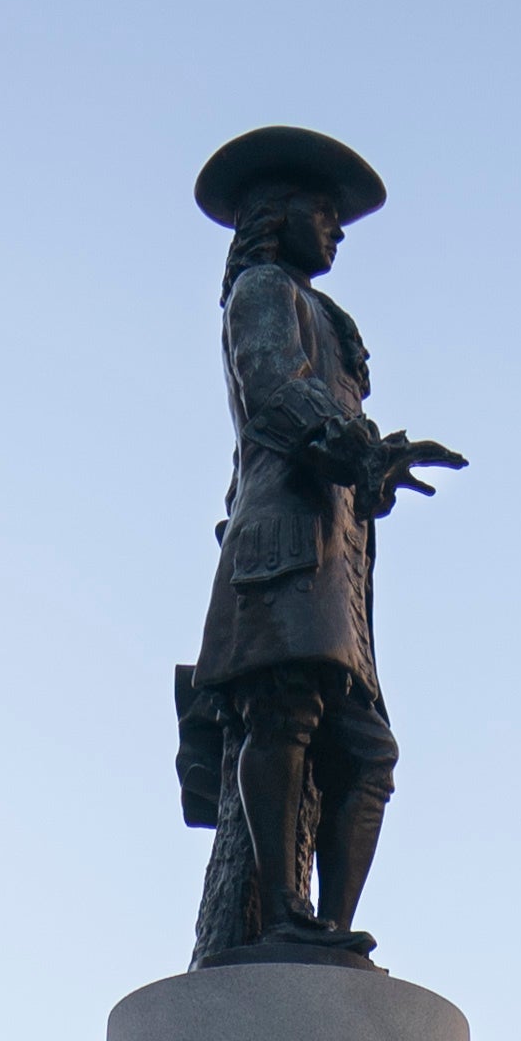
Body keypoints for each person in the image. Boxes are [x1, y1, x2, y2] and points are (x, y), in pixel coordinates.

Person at [181, 124, 460, 963]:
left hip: (338, 567)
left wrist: (377, 466)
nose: (335, 227)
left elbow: (331, 429)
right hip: (282, 544)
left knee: (366, 753)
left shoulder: (327, 318)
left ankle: (330, 934)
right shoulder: (262, 292)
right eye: (322, 211)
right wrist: (357, 448)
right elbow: (275, 395)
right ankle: (282, 918)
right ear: (277, 216)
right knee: (286, 716)